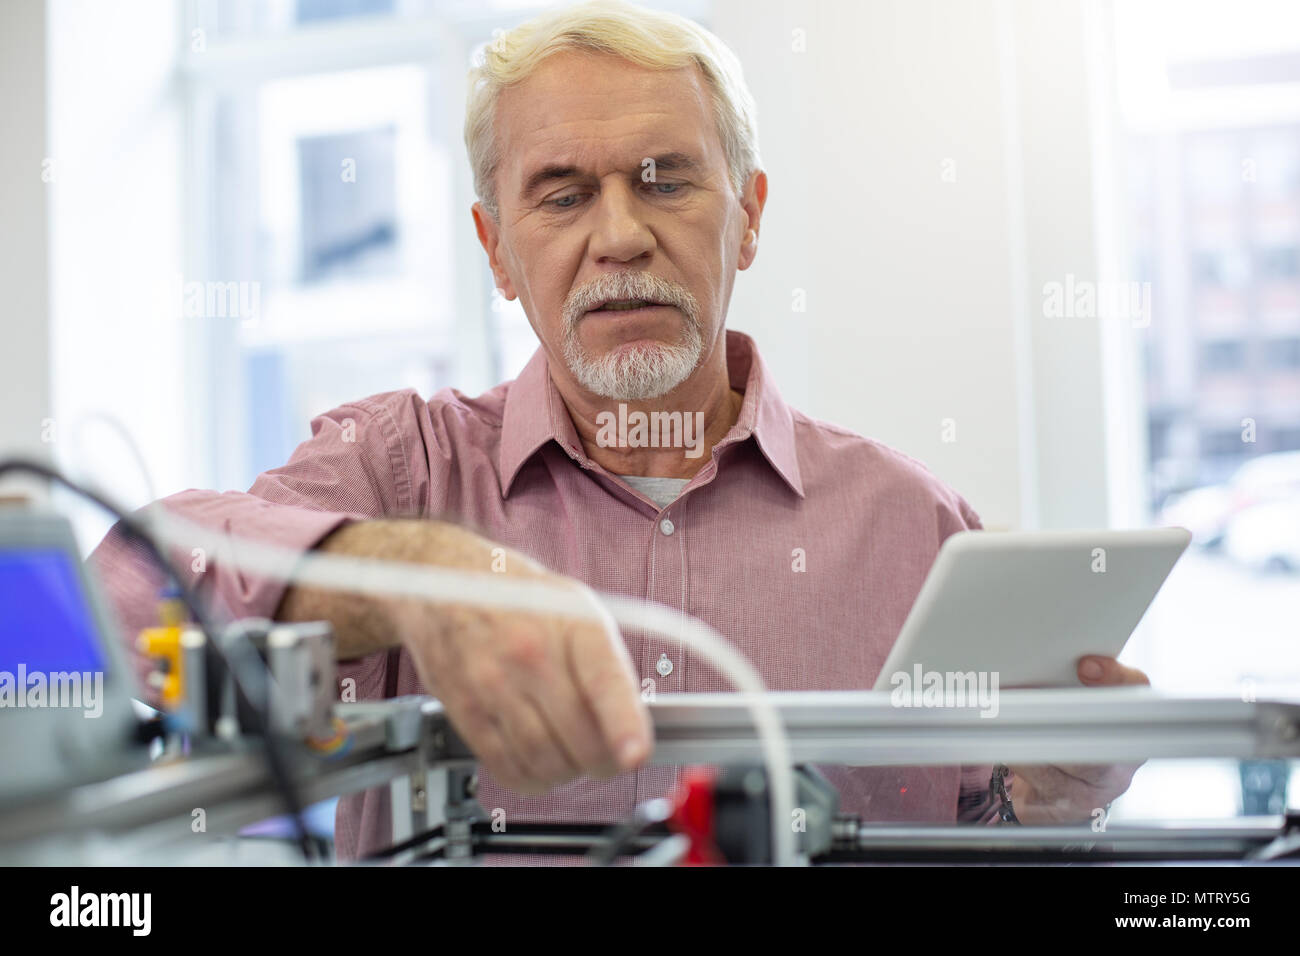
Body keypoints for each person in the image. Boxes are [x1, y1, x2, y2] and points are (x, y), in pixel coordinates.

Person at [90, 0, 1144, 861]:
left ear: (751, 216)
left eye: (666, 178)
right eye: (561, 194)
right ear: (496, 250)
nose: (621, 234)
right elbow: (122, 596)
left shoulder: (915, 527)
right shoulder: (401, 473)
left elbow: (977, 843)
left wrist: (1054, 805)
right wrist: (416, 573)